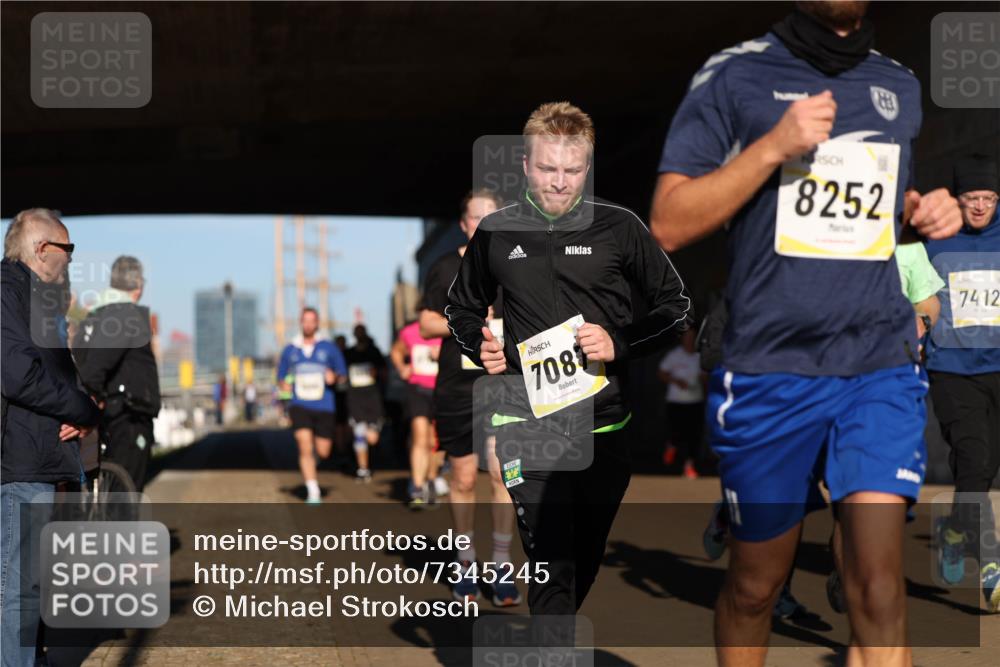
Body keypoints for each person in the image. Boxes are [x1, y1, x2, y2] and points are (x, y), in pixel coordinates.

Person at [651, 2, 962, 664]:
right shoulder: (735, 75)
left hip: (877, 361)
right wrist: (772, 146)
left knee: (878, 590)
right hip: (771, 369)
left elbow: (875, 206)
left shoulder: (898, 83)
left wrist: (918, 209)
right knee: (756, 586)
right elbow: (670, 221)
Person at [447, 102, 690, 617]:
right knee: (552, 565)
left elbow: (676, 306)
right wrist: (479, 342)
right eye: (547, 168)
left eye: (572, 170)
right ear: (525, 167)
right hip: (524, 423)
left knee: (582, 559)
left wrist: (620, 341)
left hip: (603, 426)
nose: (559, 182)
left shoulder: (620, 228)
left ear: (587, 167)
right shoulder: (497, 231)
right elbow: (461, 306)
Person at [2, 208, 101, 667]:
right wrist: (80, 408)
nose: (70, 259)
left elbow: (54, 372)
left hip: (35, 459)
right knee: (18, 587)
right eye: (68, 248)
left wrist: (78, 408)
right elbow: (17, 374)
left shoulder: (30, 297)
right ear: (43, 249)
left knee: (26, 583)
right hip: (20, 462)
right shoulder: (8, 290)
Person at [419, 188, 522, 605]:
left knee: (503, 475)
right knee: (462, 479)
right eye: (474, 218)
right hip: (458, 388)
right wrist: (468, 321)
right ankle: (464, 562)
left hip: (503, 385)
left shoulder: (516, 266)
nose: (481, 225)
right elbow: (426, 322)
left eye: (489, 218)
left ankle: (500, 564)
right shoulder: (444, 267)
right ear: (463, 224)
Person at [925, 154, 1000, 612]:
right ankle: (992, 563)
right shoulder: (934, 239)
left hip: (998, 367)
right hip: (952, 369)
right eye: (971, 198)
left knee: (986, 465)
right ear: (957, 199)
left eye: (989, 199)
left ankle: (954, 528)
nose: (980, 208)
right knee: (973, 457)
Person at [74, 256, 161, 491]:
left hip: (107, 415)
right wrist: (94, 393)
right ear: (139, 284)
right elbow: (97, 365)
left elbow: (81, 359)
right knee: (125, 492)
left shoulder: (93, 316)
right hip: (128, 415)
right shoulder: (125, 315)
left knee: (107, 489)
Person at [277, 307, 347, 504]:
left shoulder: (328, 348)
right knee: (304, 445)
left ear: (317, 323)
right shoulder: (291, 349)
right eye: (305, 320)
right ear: (300, 322)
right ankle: (312, 489)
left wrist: (335, 377)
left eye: (312, 320)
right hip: (300, 405)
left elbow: (342, 374)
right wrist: (284, 384)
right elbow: (281, 377)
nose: (308, 324)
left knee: (323, 451)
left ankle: (314, 463)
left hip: (324, 405)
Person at [390, 320, 442, 507]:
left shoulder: (446, 329)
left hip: (441, 391)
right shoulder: (410, 332)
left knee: (434, 442)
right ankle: (418, 488)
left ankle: (431, 480)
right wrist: (402, 368)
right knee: (420, 437)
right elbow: (396, 350)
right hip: (417, 390)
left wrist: (443, 356)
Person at [657, 327, 705, 479]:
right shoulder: (674, 355)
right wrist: (676, 381)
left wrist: (701, 379)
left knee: (694, 436)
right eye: (687, 337)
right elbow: (661, 373)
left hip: (695, 401)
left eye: (692, 337)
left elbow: (707, 377)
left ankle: (689, 466)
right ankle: (671, 446)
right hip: (676, 402)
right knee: (677, 432)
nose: (689, 340)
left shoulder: (700, 356)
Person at [344, 324, 387, 483]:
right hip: (355, 398)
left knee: (372, 438)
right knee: (359, 433)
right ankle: (363, 469)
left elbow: (384, 372)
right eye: (357, 332)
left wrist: (378, 376)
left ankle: (370, 461)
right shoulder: (349, 353)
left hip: (373, 398)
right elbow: (342, 373)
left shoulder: (373, 352)